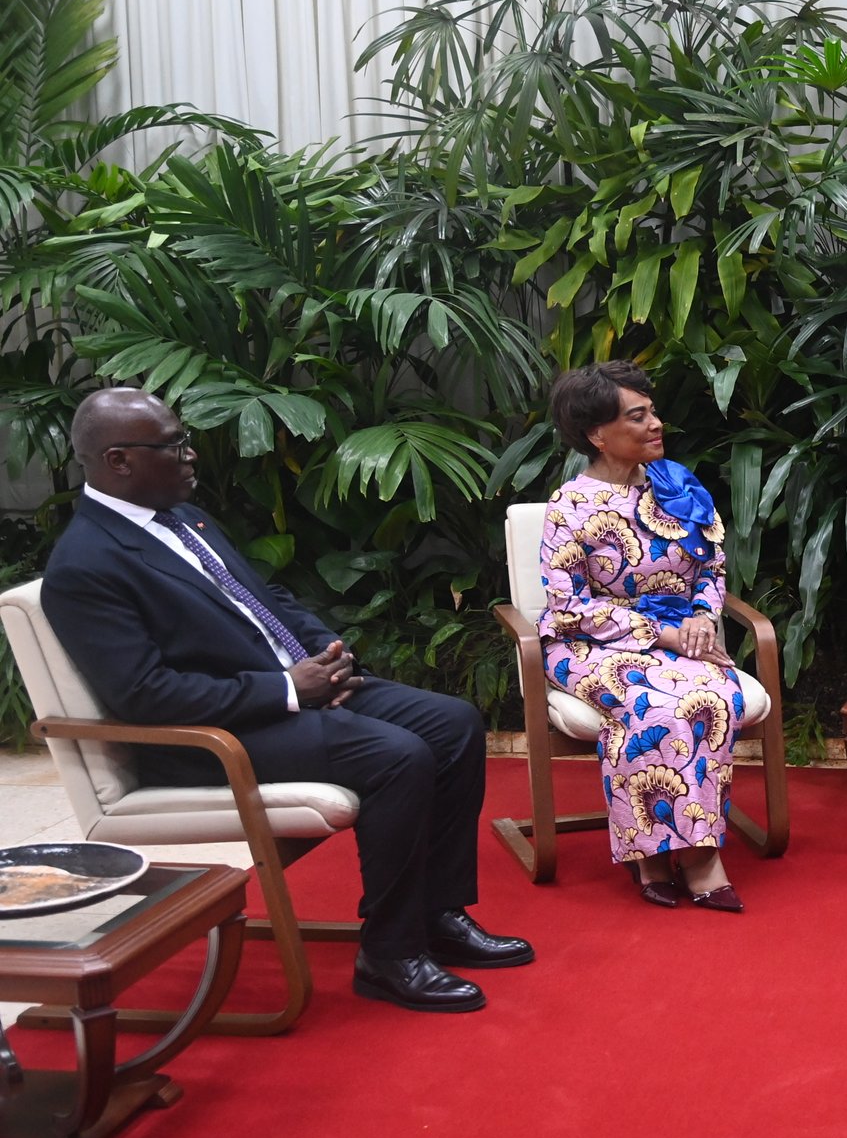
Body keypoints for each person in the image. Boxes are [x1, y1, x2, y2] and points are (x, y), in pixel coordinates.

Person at [42, 388, 531, 1015]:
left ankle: (438, 913)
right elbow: (143, 694)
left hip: (290, 692)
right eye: (173, 445)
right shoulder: (87, 565)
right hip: (214, 738)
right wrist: (286, 689)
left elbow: (260, 593)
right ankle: (390, 952)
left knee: (454, 723)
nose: (191, 455)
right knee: (398, 755)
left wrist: (322, 647)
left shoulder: (182, 515)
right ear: (118, 461)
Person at [537, 361, 747, 912]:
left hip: (681, 636)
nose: (656, 423)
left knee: (714, 693)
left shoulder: (678, 485)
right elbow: (570, 606)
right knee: (652, 699)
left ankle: (695, 855)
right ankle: (657, 854)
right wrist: (664, 633)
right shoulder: (569, 507)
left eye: (652, 411)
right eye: (639, 416)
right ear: (596, 434)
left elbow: (712, 568)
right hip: (589, 644)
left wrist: (701, 619)